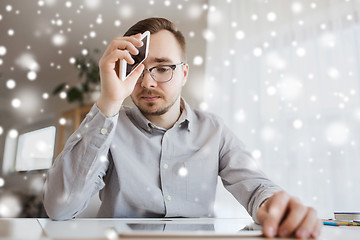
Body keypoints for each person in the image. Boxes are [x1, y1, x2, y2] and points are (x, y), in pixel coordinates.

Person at [43, 17, 322, 238]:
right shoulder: (109, 126)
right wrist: (109, 101)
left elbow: (255, 186)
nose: (148, 83)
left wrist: (276, 208)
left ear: (184, 73)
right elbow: (59, 207)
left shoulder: (213, 130)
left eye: (162, 68)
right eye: (137, 69)